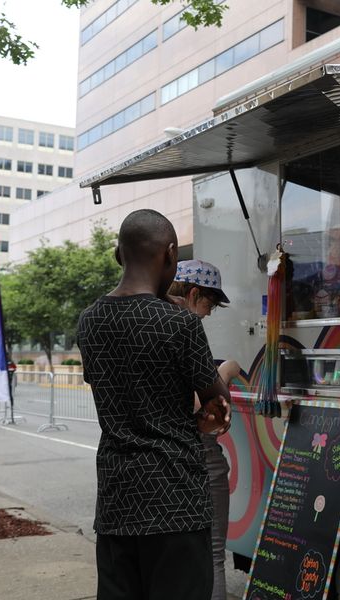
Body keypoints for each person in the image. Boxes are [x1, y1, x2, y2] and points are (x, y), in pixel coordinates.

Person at [76, 209, 231, 600]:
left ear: (120, 254)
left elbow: (118, 390)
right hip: (176, 500)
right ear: (170, 253)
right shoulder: (180, 324)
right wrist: (208, 414)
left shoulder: (89, 320)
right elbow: (218, 401)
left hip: (116, 501)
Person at [169, 259, 240, 600]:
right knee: (212, 556)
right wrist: (225, 372)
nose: (209, 314)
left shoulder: (144, 324)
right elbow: (201, 411)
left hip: (159, 467)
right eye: (209, 305)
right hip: (199, 459)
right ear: (194, 293)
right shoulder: (185, 328)